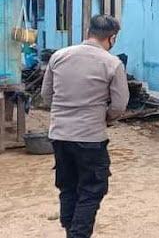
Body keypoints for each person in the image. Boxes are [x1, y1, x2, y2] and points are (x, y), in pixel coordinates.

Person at [41, 15, 129, 238]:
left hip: (59, 135)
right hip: (91, 138)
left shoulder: (59, 56)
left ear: (88, 31)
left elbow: (46, 95)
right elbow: (119, 105)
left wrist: (63, 114)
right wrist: (104, 118)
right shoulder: (112, 63)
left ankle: (70, 230)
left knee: (68, 187)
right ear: (112, 37)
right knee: (91, 190)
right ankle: (77, 234)